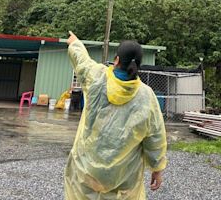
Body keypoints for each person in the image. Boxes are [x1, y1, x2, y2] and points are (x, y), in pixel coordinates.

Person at [64, 31, 167, 199]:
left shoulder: (97, 77)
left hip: (86, 170)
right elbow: (155, 137)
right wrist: (157, 169)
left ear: (117, 59)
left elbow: (82, 61)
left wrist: (75, 42)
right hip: (124, 176)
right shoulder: (147, 96)